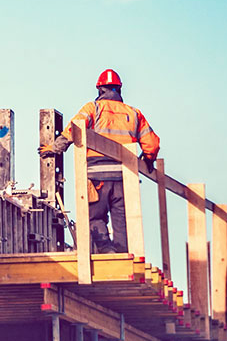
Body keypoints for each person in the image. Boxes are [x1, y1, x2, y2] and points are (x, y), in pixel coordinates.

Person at [40, 69, 160, 253]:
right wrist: (148, 160)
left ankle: (106, 250)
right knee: (122, 222)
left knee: (94, 217)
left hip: (97, 176)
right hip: (124, 177)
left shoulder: (93, 108)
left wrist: (55, 148)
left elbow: (75, 128)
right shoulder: (134, 113)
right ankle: (121, 257)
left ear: (100, 90)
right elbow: (151, 144)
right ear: (119, 90)